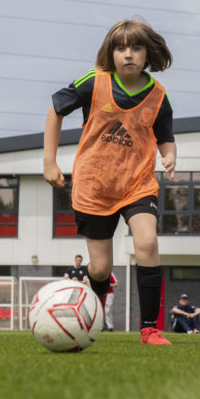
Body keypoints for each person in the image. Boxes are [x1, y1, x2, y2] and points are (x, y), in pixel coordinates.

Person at [44, 18, 176, 345]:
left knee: (146, 243)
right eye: (121, 48)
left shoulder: (158, 96)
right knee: (100, 269)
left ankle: (149, 329)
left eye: (136, 47)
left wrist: (170, 154)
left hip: (137, 185)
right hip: (94, 187)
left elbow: (166, 136)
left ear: (149, 53)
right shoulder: (94, 82)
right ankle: (94, 315)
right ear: (111, 52)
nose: (128, 54)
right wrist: (49, 161)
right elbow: (55, 110)